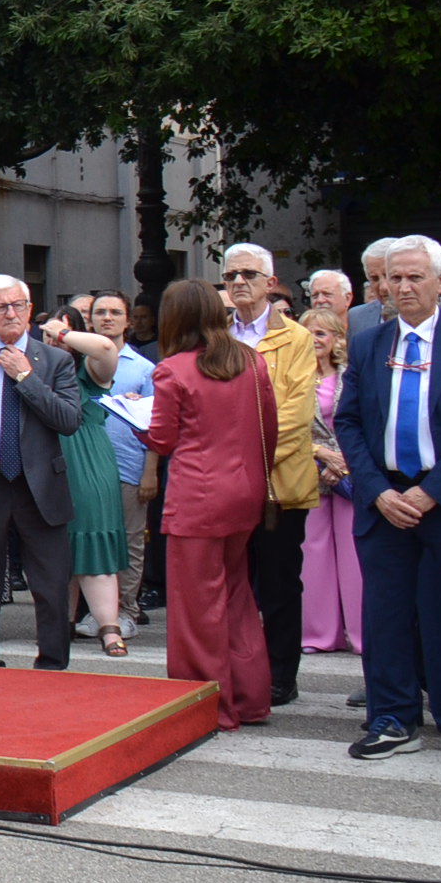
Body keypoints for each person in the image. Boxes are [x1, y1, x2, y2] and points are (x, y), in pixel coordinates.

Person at [333, 235, 441, 770]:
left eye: (414, 277)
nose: (402, 287)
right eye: (393, 278)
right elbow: (348, 421)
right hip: (385, 497)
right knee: (385, 615)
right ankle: (392, 717)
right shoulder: (368, 342)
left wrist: (430, 493)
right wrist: (380, 490)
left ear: (440, 280)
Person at [144, 280, 280, 732]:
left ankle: (206, 705)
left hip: (197, 497)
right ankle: (249, 697)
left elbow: (162, 439)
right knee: (238, 596)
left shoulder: (173, 370)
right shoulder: (250, 360)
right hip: (244, 492)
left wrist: (133, 419)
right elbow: (269, 430)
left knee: (196, 607)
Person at [0, 276, 84, 669]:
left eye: (18, 305)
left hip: (38, 486)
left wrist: (26, 377)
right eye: (1, 307)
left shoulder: (54, 360)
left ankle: (52, 668)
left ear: (29, 308)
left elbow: (69, 420)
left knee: (51, 586)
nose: (11, 313)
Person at [224, 244, 321, 705]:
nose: (238, 282)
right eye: (230, 276)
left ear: (270, 282)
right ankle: (240, 667)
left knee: (280, 582)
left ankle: (282, 673)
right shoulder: (215, 336)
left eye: (248, 274)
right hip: (225, 484)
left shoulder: (297, 338)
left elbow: (295, 414)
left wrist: (240, 458)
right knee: (232, 582)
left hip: (278, 486)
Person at [36, 309, 133, 656]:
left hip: (87, 458)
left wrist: (60, 333)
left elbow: (107, 350)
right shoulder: (33, 366)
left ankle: (109, 626)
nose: (51, 339)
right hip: (47, 458)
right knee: (56, 543)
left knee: (92, 534)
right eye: (46, 333)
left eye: (62, 332)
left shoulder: (88, 370)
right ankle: (60, 624)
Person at [85, 292, 159, 634]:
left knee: (130, 541)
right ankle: (97, 611)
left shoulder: (144, 369)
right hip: (88, 469)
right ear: (91, 319)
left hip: (128, 465)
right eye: (101, 312)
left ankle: (127, 610)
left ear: (127, 321)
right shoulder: (77, 362)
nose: (107, 318)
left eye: (115, 312)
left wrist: (150, 471)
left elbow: (154, 424)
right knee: (93, 537)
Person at [299, 308, 362, 654]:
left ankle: (363, 634)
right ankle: (319, 635)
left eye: (323, 333)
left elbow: (364, 421)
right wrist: (322, 455)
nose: (316, 340)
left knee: (355, 556)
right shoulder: (294, 379)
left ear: (337, 338)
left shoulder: (352, 376)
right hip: (310, 473)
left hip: (351, 474)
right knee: (315, 555)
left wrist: (344, 462)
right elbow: (286, 428)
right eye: (309, 333)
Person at [346, 238, 395, 339]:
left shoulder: (430, 313)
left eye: (389, 276)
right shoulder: (356, 317)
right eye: (374, 278)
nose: (383, 287)